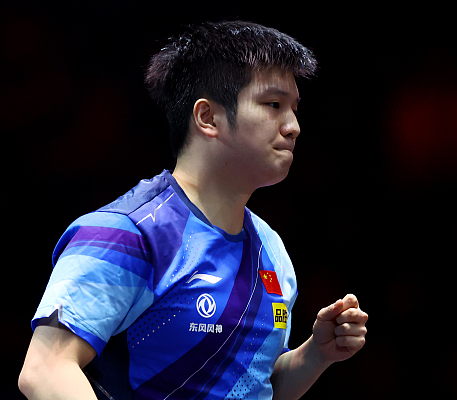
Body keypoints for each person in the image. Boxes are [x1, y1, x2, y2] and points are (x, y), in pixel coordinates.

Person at [19, 21, 368, 400]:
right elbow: (46, 369)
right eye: (273, 105)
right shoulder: (129, 233)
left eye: (294, 109)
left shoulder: (272, 251)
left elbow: (256, 382)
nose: (293, 126)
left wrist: (314, 354)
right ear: (208, 118)